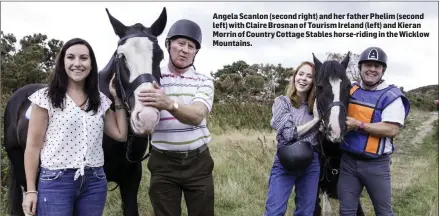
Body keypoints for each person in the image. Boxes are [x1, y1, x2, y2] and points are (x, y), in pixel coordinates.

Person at [23, 38, 128, 216]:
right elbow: (32, 147)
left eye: (84, 58)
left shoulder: (100, 100)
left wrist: (117, 99)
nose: (77, 63)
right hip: (56, 180)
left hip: (94, 181)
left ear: (91, 64)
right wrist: (31, 190)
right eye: (71, 57)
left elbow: (121, 134)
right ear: (63, 62)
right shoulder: (45, 98)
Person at [136, 19, 215, 216]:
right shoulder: (152, 78)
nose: (185, 50)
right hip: (163, 164)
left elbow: (197, 115)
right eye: (180, 43)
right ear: (168, 44)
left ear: (196, 53)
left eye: (191, 46)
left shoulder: (204, 81)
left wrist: (169, 103)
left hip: (198, 162)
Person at [338, 47, 410, 216]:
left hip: (376, 164)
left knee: (383, 212)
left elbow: (392, 129)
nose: (372, 69)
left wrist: (359, 125)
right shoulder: (351, 89)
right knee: (346, 211)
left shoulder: (392, 96)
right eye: (368, 65)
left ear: (383, 70)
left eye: (377, 66)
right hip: (348, 162)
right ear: (360, 68)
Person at [263, 61, 321, 216]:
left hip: (311, 162)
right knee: (274, 211)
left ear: (314, 82)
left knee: (306, 212)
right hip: (285, 160)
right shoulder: (282, 102)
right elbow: (289, 134)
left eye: (309, 76)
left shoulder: (317, 106)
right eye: (301, 74)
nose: (303, 79)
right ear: (294, 77)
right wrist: (315, 121)